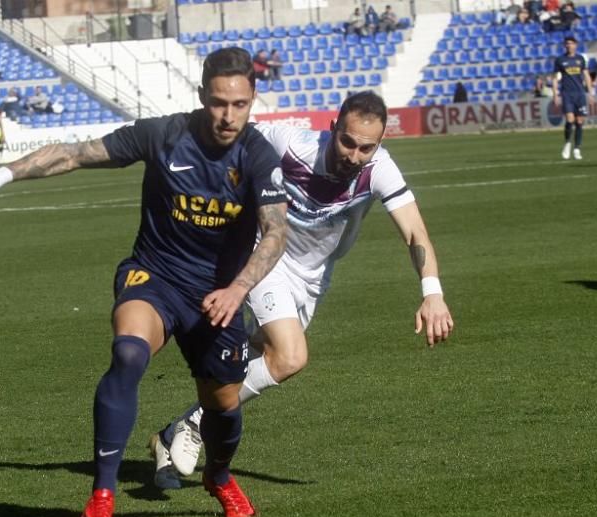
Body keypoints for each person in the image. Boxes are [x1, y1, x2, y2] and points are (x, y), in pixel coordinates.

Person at [0, 47, 289, 517]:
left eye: (239, 104)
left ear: (253, 99)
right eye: (217, 103)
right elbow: (77, 153)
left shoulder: (257, 156)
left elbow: (275, 232)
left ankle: (219, 475)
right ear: (201, 97)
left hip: (218, 297)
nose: (228, 115)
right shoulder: (163, 135)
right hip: (156, 275)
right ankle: (102, 495)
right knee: (128, 353)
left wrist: (237, 289)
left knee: (223, 402)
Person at [149, 92, 454, 488]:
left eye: (367, 147)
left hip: (314, 278)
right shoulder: (289, 143)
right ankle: (193, 425)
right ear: (332, 130)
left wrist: (433, 293)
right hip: (266, 256)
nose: (355, 155)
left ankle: (171, 434)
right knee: (290, 357)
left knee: (252, 358)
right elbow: (227, 135)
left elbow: (415, 231)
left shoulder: (379, 169)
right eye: (348, 142)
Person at [552, 35, 593, 160]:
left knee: (580, 121)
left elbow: (586, 76)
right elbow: (555, 78)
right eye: (567, 43)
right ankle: (567, 143)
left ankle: (577, 148)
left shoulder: (580, 59)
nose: (569, 45)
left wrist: (590, 93)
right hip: (567, 94)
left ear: (575, 45)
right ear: (565, 45)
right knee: (570, 119)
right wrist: (555, 94)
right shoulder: (560, 60)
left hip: (580, 94)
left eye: (571, 43)